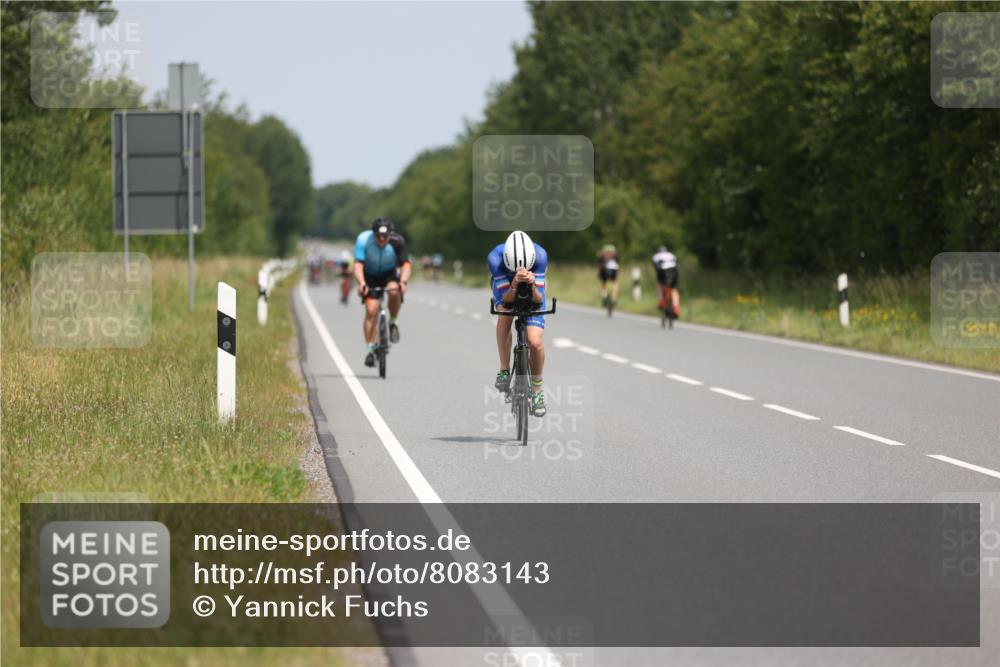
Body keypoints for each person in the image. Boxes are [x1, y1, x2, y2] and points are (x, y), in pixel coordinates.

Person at [488, 230, 549, 417]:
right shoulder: (495, 259)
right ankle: (504, 369)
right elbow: (506, 298)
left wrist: (531, 284)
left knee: (535, 342)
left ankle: (537, 391)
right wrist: (514, 283)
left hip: (533, 293)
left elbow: (538, 300)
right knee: (505, 313)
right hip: (507, 288)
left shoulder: (540, 256)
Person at [354, 219, 411, 367]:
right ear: (373, 234)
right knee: (371, 310)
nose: (381, 239)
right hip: (370, 276)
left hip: (389, 274)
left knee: (394, 291)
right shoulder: (363, 240)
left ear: (390, 235)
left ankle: (393, 321)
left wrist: (403, 282)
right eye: (378, 236)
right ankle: (370, 348)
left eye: (385, 236)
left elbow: (406, 264)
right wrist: (361, 283)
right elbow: (358, 265)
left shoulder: (398, 241)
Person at [652, 245, 680, 317]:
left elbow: (655, 267)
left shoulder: (656, 256)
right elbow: (676, 263)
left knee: (660, 284)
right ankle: (676, 307)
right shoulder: (671, 255)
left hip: (663, 271)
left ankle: (661, 300)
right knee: (674, 289)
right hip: (673, 271)